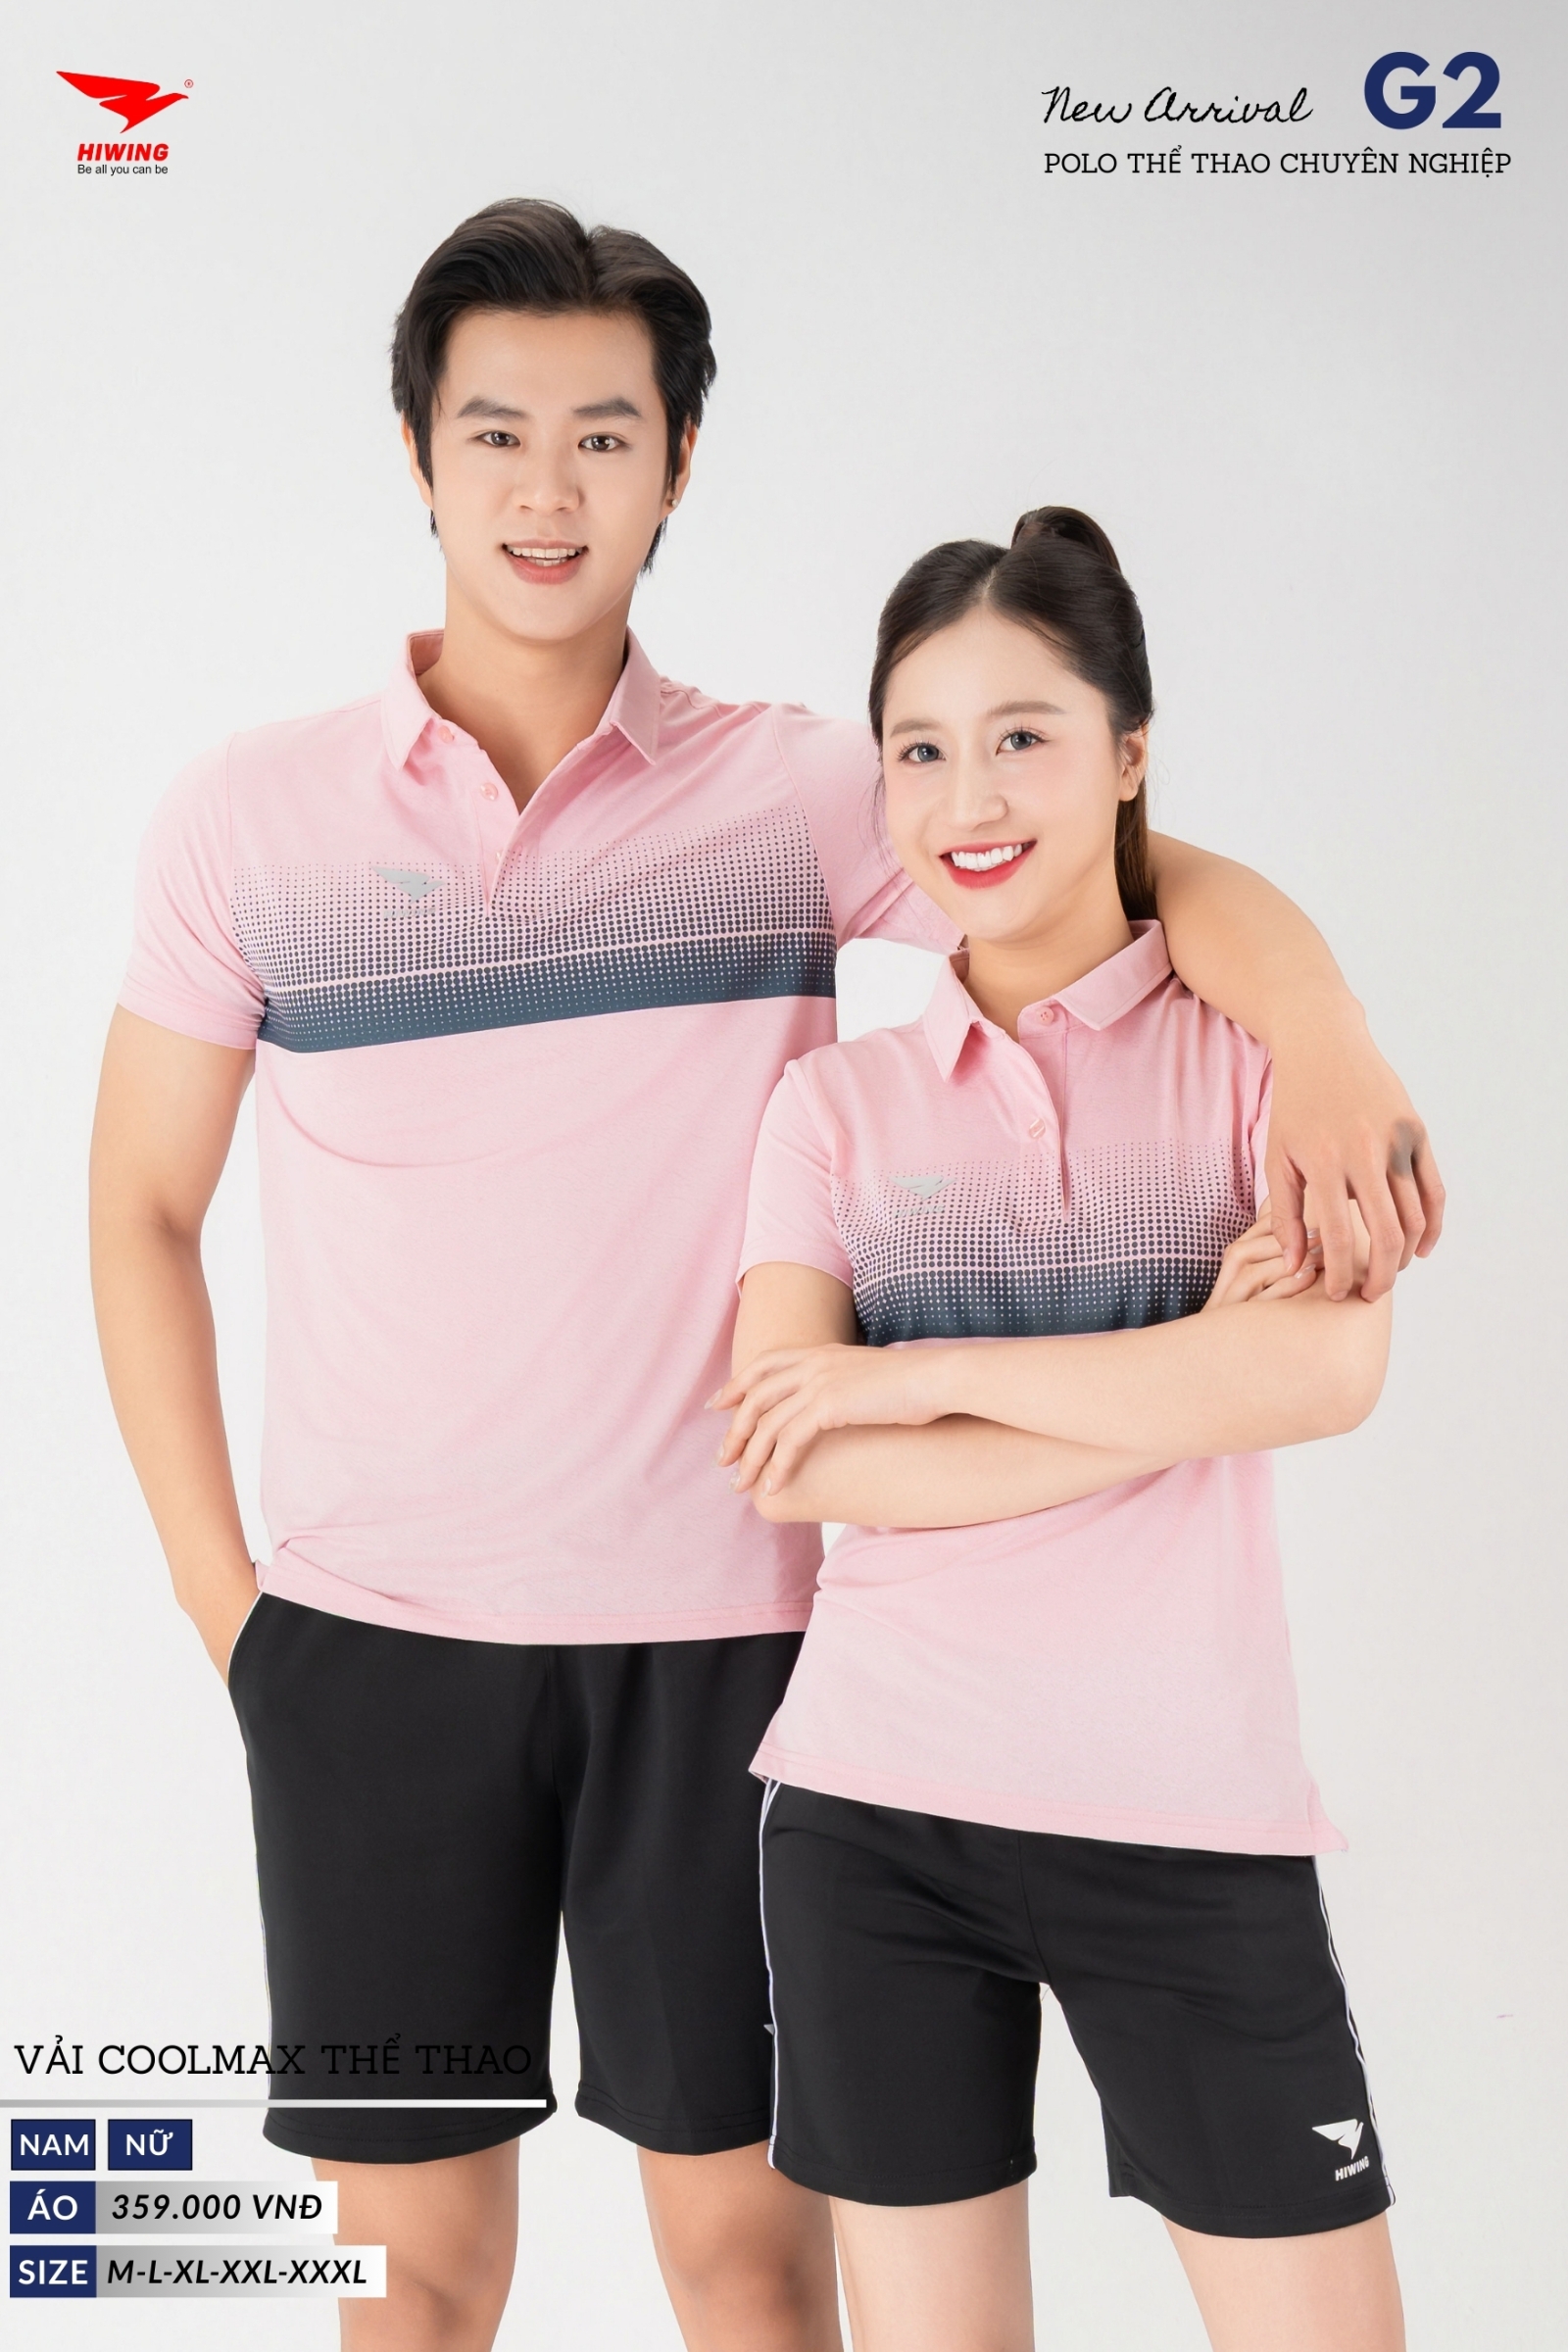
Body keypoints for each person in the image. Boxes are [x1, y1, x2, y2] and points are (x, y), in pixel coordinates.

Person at [86, 190, 1435, 2352]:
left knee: (743, 2265)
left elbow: (1111, 854)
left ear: (680, 464)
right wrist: (221, 1607)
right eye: (497, 432)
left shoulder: (805, 788)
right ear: (417, 453)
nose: (548, 488)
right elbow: (141, 1210)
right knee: (413, 2279)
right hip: (369, 1652)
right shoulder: (248, 820)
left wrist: (1331, 1037)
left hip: (727, 1647)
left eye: (605, 436)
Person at [720, 509, 1410, 2352]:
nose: (969, 797)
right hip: (873, 1816)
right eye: (920, 750)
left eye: (1023, 734)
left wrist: (911, 1373)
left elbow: (1327, 1377)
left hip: (1192, 1817)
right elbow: (797, 1457)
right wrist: (1184, 1379)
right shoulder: (832, 1110)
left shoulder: (1261, 1067)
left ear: (1129, 753)